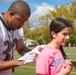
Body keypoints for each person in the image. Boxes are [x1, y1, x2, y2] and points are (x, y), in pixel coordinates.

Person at [0, 1, 46, 75]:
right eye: (20, 20)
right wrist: (20, 61)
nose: (22, 25)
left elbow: (21, 49)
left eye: (24, 22)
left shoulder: (16, 28)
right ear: (11, 14)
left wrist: (35, 53)